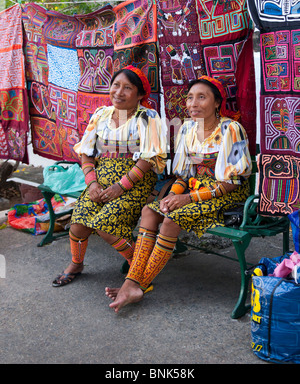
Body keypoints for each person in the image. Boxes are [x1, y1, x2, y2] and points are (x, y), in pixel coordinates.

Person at [106, 76, 252, 312]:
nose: (193, 103)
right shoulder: (187, 128)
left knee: (172, 219)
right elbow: (183, 176)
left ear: (217, 103)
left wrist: (186, 199)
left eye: (202, 97)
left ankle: (137, 284)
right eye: (190, 98)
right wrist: (170, 197)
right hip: (195, 190)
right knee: (150, 211)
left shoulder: (230, 129)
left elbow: (233, 181)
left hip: (225, 194)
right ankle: (133, 282)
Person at [52, 65, 167, 287]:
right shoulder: (101, 115)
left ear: (140, 94)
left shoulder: (148, 117)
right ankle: (77, 263)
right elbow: (86, 154)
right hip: (102, 181)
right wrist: (92, 183)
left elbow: (147, 160)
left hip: (136, 183)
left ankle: (138, 268)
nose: (119, 92)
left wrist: (120, 187)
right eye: (116, 85)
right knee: (78, 225)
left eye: (127, 88)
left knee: (106, 226)